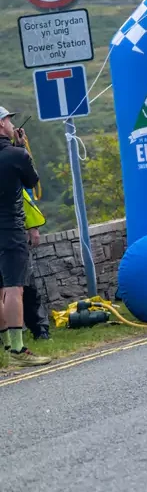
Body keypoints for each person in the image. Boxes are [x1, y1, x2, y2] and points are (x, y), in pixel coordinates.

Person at [0, 107, 49, 366]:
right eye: (7, 120)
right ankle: (18, 351)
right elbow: (31, 181)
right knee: (13, 289)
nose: (10, 124)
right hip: (9, 230)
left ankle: (6, 347)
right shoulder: (15, 155)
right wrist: (22, 148)